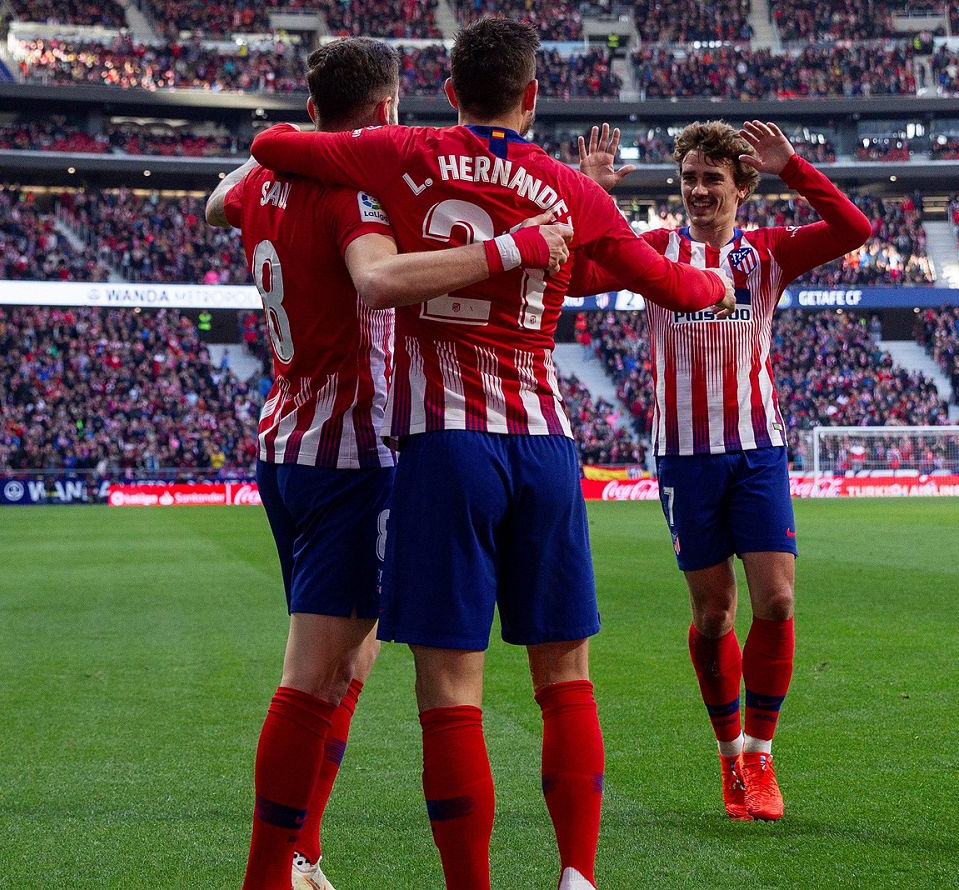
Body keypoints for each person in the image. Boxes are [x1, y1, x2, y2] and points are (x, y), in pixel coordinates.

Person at [248, 19, 733, 889]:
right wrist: (718, 280)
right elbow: (663, 282)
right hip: (544, 446)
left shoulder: (404, 152)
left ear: (448, 88)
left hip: (445, 448)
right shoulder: (568, 192)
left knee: (451, 688)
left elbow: (274, 144)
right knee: (565, 674)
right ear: (534, 97)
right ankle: (578, 875)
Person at [210, 37, 573, 890]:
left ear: (311, 115)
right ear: (384, 115)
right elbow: (376, 282)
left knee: (349, 659)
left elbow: (216, 201)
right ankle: (273, 871)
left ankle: (303, 853)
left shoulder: (263, 184)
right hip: (353, 450)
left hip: (286, 442)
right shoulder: (354, 195)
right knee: (314, 672)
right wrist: (513, 247)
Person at [571, 119, 870, 821]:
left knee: (779, 601)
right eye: (689, 179)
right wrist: (589, 192)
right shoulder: (653, 251)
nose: (699, 190)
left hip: (756, 448)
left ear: (742, 187)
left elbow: (854, 227)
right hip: (683, 456)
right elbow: (575, 274)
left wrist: (796, 167)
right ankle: (730, 753)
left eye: (713, 179)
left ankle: (761, 754)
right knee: (713, 613)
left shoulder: (767, 253)